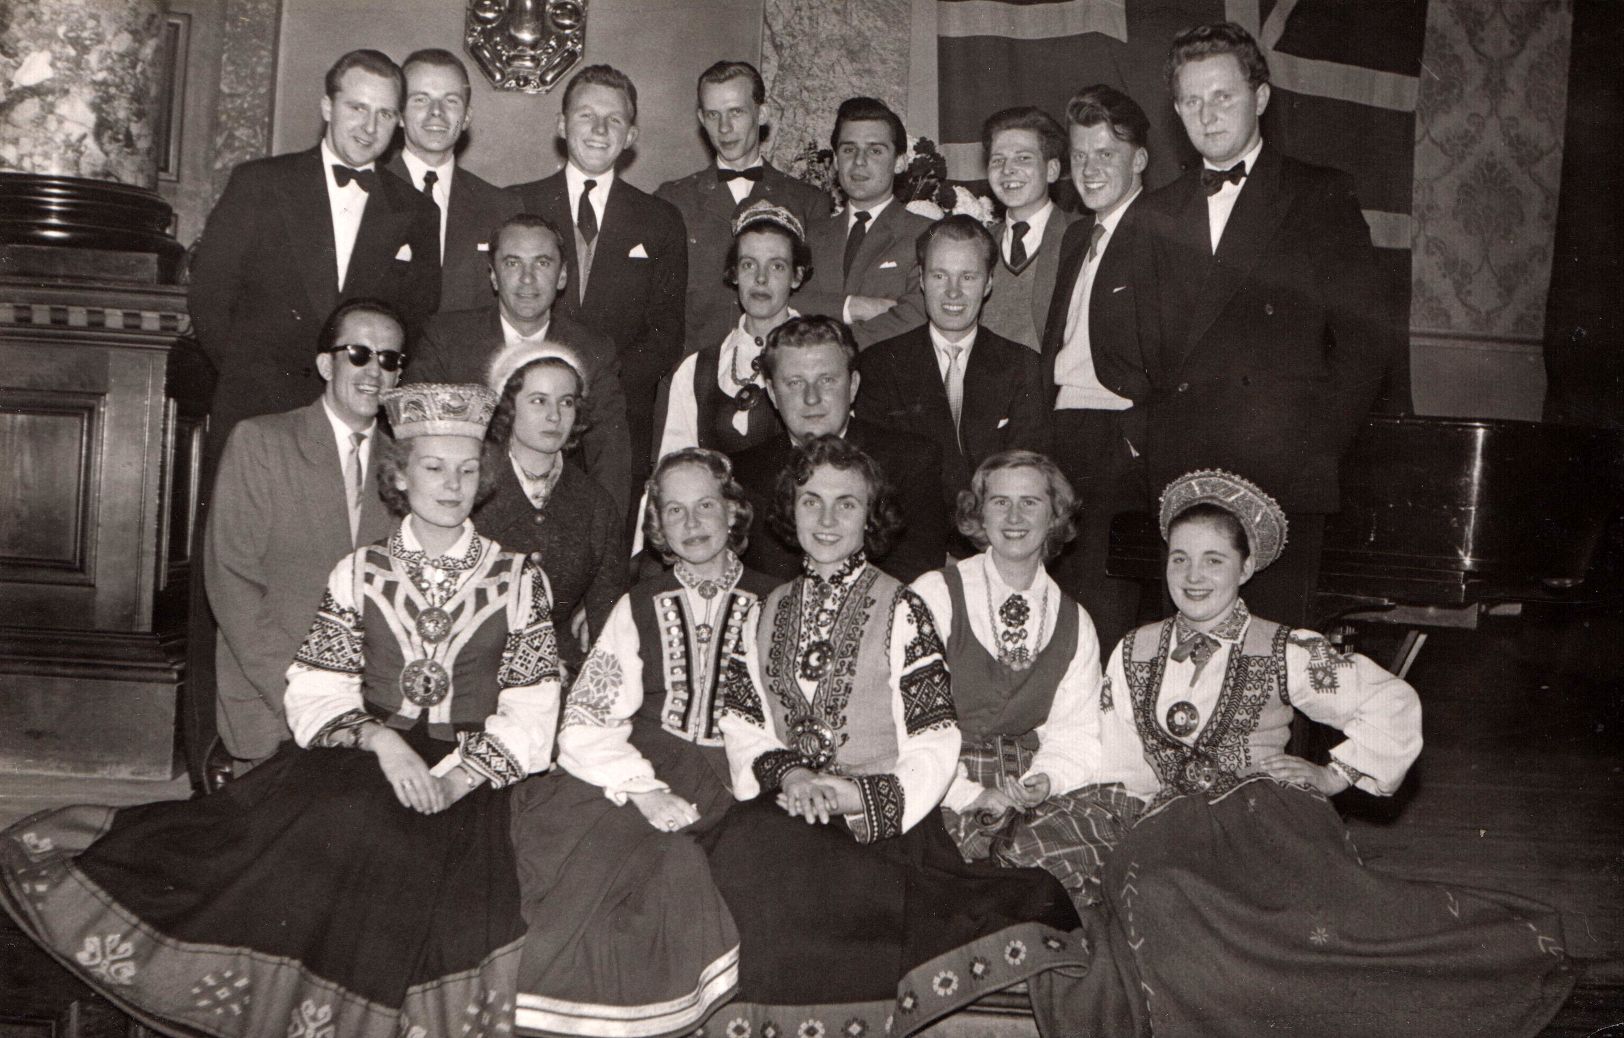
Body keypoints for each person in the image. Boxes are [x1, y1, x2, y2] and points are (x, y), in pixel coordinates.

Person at [0, 383, 563, 1035]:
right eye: (434, 468)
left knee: (413, 855)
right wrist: (381, 741)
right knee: (316, 830)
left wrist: (458, 779)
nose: (452, 485)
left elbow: (534, 703)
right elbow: (319, 685)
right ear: (399, 476)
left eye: (466, 471)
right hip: (366, 750)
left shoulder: (518, 579)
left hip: (470, 771)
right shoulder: (359, 571)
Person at [1038, 469, 1575, 1034]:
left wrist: (1333, 775)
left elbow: (1390, 701)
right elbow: (1121, 756)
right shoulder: (1134, 649)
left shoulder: (1285, 647)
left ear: (1246, 567)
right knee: (1159, 892)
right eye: (1180, 559)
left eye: (1214, 560)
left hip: (1264, 816)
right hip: (1171, 822)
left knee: (1306, 925)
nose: (1193, 576)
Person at [701, 435, 1084, 1036]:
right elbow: (742, 722)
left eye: (847, 504)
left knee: (815, 875)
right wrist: (794, 775)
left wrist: (857, 796)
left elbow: (935, 739)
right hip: (789, 801)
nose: (827, 520)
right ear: (790, 510)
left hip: (880, 818)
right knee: (746, 846)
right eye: (811, 501)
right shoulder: (762, 611)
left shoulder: (902, 608)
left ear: (870, 516)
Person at [1118, 22, 1406, 626]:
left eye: (1223, 96)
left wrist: (1310, 447)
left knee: (1273, 657)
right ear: (1176, 111)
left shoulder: (1319, 194)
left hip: (1282, 476)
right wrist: (1156, 450)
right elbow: (1142, 351)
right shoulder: (1153, 213)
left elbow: (1367, 340)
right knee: (1188, 655)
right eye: (1192, 101)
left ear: (1261, 97)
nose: (1208, 114)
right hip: (1184, 478)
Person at [505, 448, 776, 1037]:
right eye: (674, 510)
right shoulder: (640, 603)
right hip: (638, 766)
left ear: (732, 512)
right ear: (657, 526)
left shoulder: (776, 601)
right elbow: (588, 716)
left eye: (705, 506)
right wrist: (643, 789)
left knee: (670, 870)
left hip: (735, 774)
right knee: (597, 867)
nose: (691, 522)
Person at [912, 450, 1135, 913]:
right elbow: (905, 721)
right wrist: (971, 795)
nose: (1014, 517)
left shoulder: (1075, 621)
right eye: (1000, 502)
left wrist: (1042, 782)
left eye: (1030, 502)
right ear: (979, 514)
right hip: (939, 778)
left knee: (1067, 870)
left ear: (1055, 516)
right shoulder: (935, 593)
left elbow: (1076, 734)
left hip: (1026, 783)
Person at [188, 48, 440, 443]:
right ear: (327, 107)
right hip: (258, 412)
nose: (369, 127)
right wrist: (251, 379)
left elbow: (416, 319)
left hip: (359, 423)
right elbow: (209, 297)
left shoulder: (417, 212)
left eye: (385, 114)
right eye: (357, 108)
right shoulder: (259, 184)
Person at [203, 299, 403, 773]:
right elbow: (232, 583)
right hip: (272, 702)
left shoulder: (406, 465)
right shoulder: (262, 442)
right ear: (325, 365)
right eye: (359, 354)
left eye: (389, 359)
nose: (374, 371)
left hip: (371, 715)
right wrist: (307, 699)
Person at [512, 64, 687, 490]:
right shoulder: (516, 205)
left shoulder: (660, 219)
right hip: (524, 416)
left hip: (617, 423)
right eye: (586, 115)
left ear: (631, 136)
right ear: (562, 125)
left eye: (614, 120)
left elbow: (665, 333)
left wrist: (598, 392)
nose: (599, 129)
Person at [407, 213, 634, 513]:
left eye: (542, 263)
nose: (527, 278)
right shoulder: (447, 339)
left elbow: (611, 457)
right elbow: (414, 442)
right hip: (464, 512)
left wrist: (602, 531)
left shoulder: (591, 350)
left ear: (562, 276)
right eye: (513, 263)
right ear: (493, 275)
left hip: (556, 515)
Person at [1040, 83, 1155, 653]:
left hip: (1117, 436)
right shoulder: (1078, 235)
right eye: (1080, 155)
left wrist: (1136, 437)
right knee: (1058, 606)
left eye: (1106, 154)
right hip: (1065, 432)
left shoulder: (1161, 232)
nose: (1088, 170)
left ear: (1140, 159)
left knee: (1104, 612)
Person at [856, 215, 1047, 530]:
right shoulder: (879, 365)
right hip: (911, 537)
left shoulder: (1023, 366)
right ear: (921, 280)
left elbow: (1026, 474)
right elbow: (879, 479)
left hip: (996, 537)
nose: (953, 292)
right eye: (940, 276)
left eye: (968, 277)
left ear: (988, 283)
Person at [730, 315, 946, 583]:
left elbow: (918, 575)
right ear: (773, 393)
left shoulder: (911, 462)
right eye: (795, 382)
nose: (811, 398)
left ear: (853, 386)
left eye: (827, 380)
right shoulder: (742, 475)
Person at [654, 60, 830, 353]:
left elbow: (815, 301)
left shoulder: (808, 203)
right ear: (701, 119)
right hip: (696, 367)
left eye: (736, 112)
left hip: (778, 365)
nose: (724, 128)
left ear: (762, 114)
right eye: (713, 115)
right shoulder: (674, 201)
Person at [479, 346, 626, 676]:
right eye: (538, 400)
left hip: (560, 670)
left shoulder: (595, 504)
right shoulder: (472, 487)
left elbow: (607, 619)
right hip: (475, 672)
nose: (555, 416)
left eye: (567, 402)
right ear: (508, 407)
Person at [654, 199, 808, 459]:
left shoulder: (819, 358)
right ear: (734, 273)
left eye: (776, 266)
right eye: (749, 264)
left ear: (797, 276)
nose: (760, 278)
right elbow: (675, 466)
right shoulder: (696, 370)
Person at [385, 48, 522, 314]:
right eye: (421, 99)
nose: (436, 112)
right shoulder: (368, 190)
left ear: (467, 118)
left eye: (451, 101)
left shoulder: (500, 208)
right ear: (399, 114)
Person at [796, 97, 930, 348]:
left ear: (900, 162)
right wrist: (854, 307)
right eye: (849, 149)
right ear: (836, 161)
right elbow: (782, 302)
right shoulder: (809, 235)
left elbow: (918, 317)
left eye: (875, 150)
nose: (859, 161)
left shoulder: (926, 234)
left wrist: (832, 347)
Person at [978, 106, 1081, 353]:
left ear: (1052, 170)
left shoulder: (1080, 236)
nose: (1007, 170)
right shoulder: (979, 243)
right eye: (997, 160)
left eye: (1023, 158)